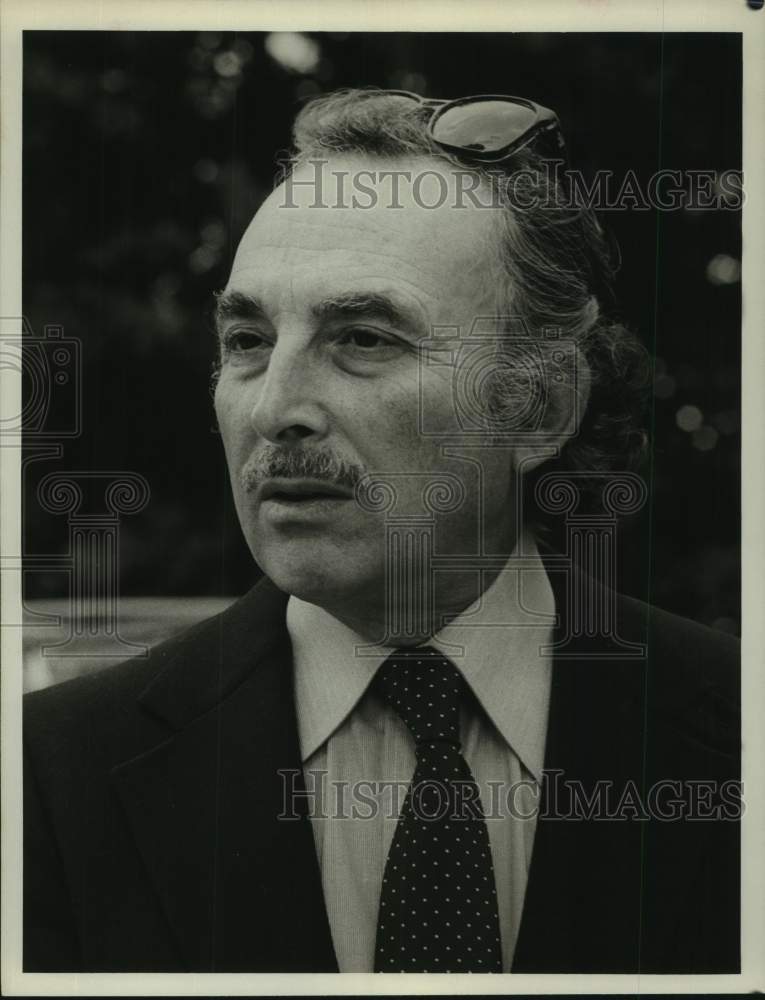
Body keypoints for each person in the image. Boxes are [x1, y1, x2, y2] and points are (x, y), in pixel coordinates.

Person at [23, 89, 740, 974]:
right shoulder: (48, 779)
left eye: (361, 337)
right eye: (246, 339)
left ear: (538, 405)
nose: (274, 407)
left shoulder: (733, 735)